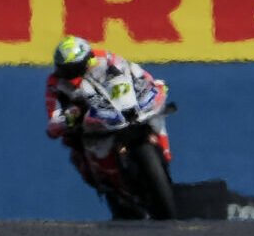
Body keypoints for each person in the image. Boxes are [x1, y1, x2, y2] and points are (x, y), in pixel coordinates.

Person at [45, 35, 171, 193]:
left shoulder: (105, 58)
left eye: (73, 68)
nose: (68, 73)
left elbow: (135, 72)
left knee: (156, 111)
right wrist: (66, 119)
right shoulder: (55, 83)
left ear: (86, 60)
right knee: (76, 149)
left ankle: (164, 155)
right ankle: (108, 183)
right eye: (64, 68)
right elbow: (53, 118)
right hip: (89, 122)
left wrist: (150, 84)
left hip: (122, 108)